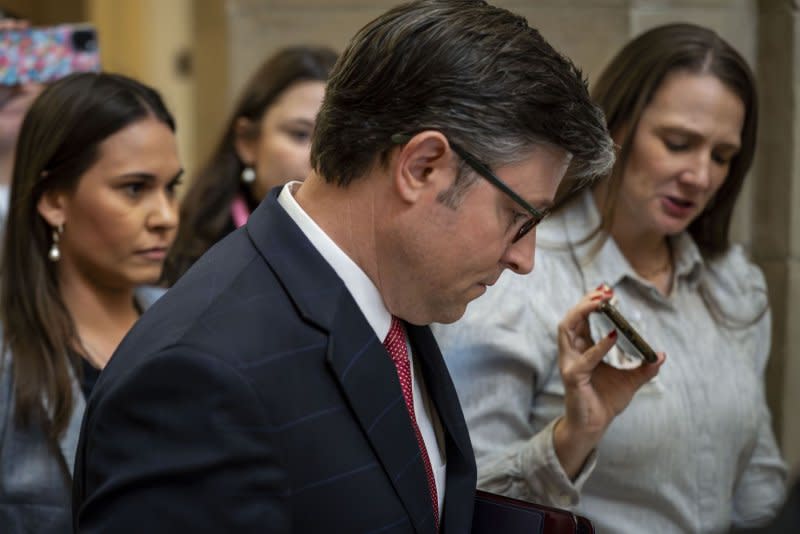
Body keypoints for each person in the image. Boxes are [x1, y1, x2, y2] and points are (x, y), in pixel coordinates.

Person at [72, 1, 658, 532]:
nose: (524, 258)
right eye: (519, 216)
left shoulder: (395, 298)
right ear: (423, 167)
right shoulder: (197, 377)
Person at [433, 22, 787, 533]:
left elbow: (758, 487)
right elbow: (465, 501)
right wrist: (573, 436)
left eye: (722, 156)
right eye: (678, 142)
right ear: (615, 129)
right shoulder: (515, 274)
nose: (701, 176)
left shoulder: (734, 282)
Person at [0, 72, 181, 533]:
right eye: (134, 188)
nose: (165, 217)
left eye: (171, 188)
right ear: (54, 199)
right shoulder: (11, 355)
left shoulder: (190, 322)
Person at [161, 45, 337, 285]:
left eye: (334, 138)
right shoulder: (195, 251)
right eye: (300, 134)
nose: (320, 157)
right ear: (247, 142)